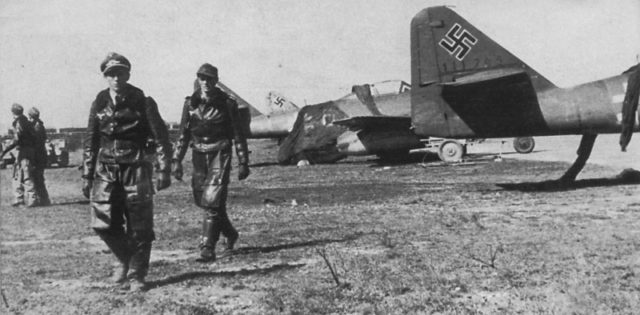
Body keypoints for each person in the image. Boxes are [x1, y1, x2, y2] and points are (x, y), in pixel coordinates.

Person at [82, 52, 172, 291]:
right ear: (105, 77)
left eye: (120, 73)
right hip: (106, 168)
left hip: (136, 166)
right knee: (102, 223)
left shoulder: (142, 100)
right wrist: (87, 173)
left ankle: (137, 275)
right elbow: (91, 139)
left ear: (128, 74)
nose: (116, 78)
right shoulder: (99, 101)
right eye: (111, 74)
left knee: (139, 224)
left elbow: (160, 136)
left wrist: (164, 169)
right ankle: (124, 259)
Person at [172, 63, 250, 263]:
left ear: (216, 81)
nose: (205, 82)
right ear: (198, 80)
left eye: (210, 79)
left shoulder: (227, 104)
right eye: (202, 78)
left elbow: (238, 135)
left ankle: (207, 246)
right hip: (198, 153)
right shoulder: (190, 104)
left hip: (220, 153)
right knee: (203, 200)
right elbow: (183, 134)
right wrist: (177, 161)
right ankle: (230, 233)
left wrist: (243, 161)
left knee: (212, 202)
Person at [1, 103, 37, 207]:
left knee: (24, 174)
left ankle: (29, 199)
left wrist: (4, 151)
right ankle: (21, 198)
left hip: (23, 151)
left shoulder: (19, 122)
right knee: (20, 173)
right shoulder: (26, 121)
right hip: (28, 150)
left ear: (13, 112)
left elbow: (16, 139)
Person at [27, 107, 51, 206]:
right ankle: (42, 199)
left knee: (37, 178)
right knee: (38, 178)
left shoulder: (36, 127)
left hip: (37, 156)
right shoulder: (40, 125)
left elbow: (35, 143)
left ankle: (43, 200)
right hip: (40, 155)